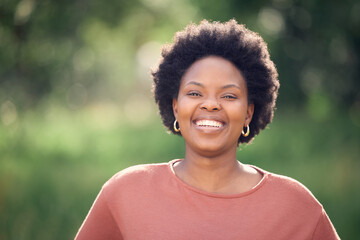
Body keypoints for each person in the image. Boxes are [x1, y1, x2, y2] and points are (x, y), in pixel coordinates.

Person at [75, 20, 340, 240]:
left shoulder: (296, 206)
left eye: (228, 96)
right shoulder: (125, 193)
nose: (210, 104)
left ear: (249, 112)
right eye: (194, 92)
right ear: (176, 106)